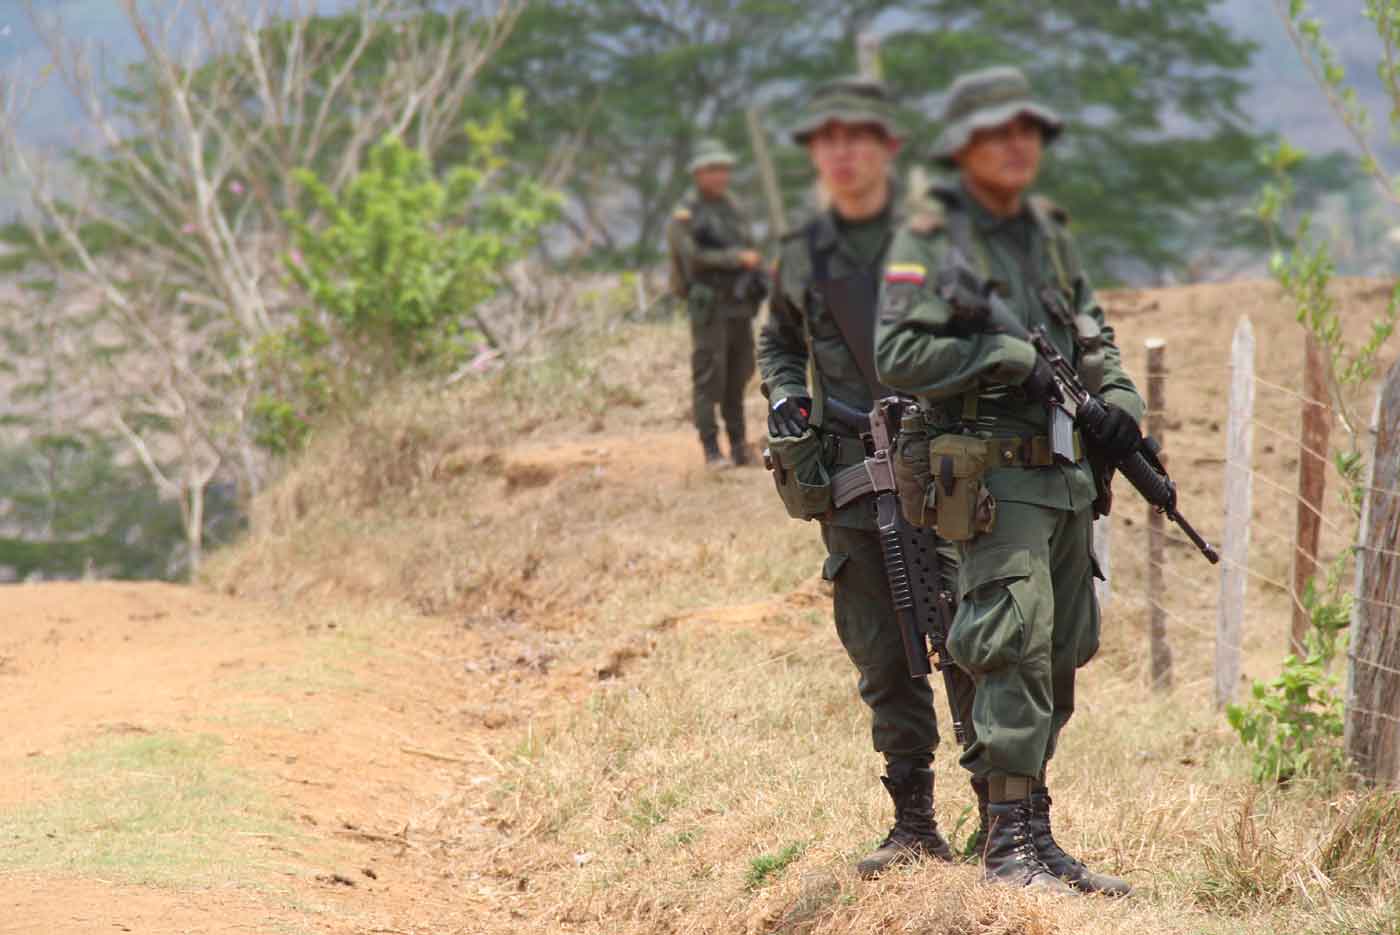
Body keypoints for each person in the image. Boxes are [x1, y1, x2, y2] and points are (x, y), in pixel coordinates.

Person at [874, 66, 1142, 895]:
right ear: (962, 147)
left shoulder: (1049, 234)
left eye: (1027, 129)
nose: (1017, 144)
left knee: (1060, 651)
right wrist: (998, 356)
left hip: (1064, 473)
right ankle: (1006, 848)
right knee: (1011, 645)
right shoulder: (930, 238)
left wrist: (1121, 406)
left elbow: (1094, 332)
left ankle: (1037, 831)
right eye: (997, 132)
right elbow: (897, 353)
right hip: (991, 475)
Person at [757, 77, 972, 879]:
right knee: (883, 650)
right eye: (827, 138)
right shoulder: (802, 250)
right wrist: (785, 393)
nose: (842, 152)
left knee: (970, 636)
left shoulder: (938, 236)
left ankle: (1006, 818)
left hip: (943, 469)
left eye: (858, 136)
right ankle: (914, 823)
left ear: (889, 146)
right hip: (850, 472)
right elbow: (778, 340)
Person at [666, 138, 765, 469]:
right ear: (697, 174)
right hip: (709, 306)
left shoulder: (732, 207)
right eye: (713, 169)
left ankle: (738, 444)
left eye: (724, 169)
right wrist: (736, 258)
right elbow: (692, 258)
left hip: (738, 303)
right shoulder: (686, 213)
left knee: (739, 373)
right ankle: (711, 449)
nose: (721, 175)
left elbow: (750, 245)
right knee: (709, 375)